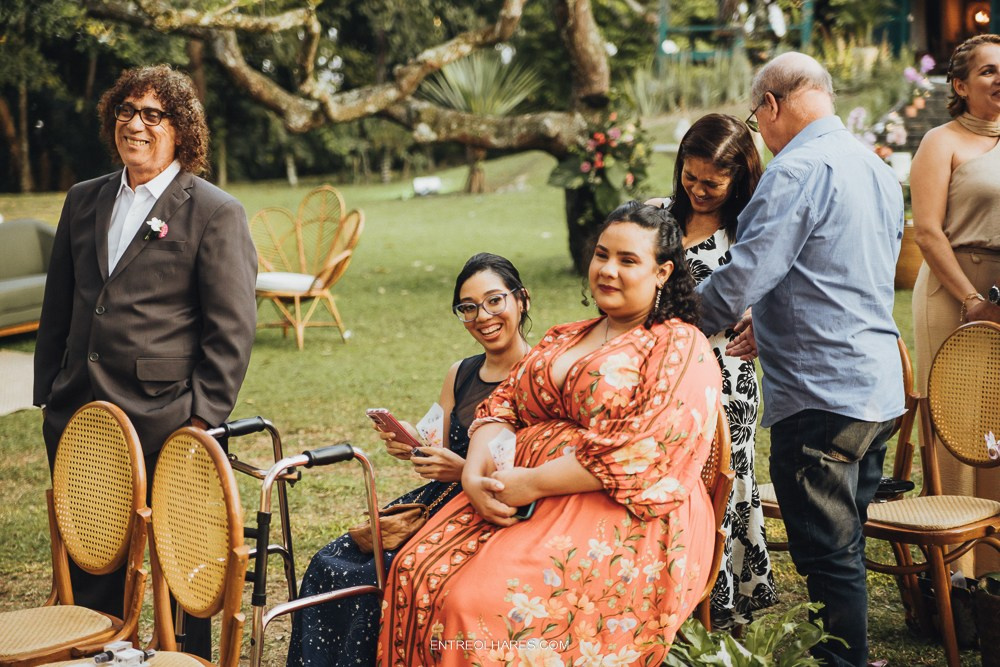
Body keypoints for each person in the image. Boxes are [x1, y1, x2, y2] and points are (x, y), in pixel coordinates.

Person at [377, 203, 723, 666]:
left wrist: (533, 483)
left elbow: (643, 450)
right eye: (602, 255)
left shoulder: (679, 344)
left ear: (662, 272)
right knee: (415, 570)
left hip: (622, 510)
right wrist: (475, 472)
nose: (608, 270)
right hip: (522, 493)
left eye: (628, 260)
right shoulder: (566, 335)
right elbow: (503, 403)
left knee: (476, 605)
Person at [33, 64, 257, 658]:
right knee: (93, 554)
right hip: (80, 412)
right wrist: (49, 394)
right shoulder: (84, 199)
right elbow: (60, 303)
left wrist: (201, 419)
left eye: (152, 115)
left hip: (167, 416)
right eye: (126, 112)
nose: (135, 124)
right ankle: (99, 650)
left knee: (181, 566)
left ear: (180, 129)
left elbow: (231, 328)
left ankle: (185, 660)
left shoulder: (214, 211)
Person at [696, 53, 904, 667]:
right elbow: (846, 272)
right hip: (879, 389)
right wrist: (774, 317)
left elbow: (738, 282)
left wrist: (665, 321)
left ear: (773, 105)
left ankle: (848, 662)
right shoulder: (876, 167)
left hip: (823, 398)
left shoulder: (795, 171)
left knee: (828, 553)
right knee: (847, 542)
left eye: (757, 121)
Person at [286, 253, 531, 667]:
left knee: (383, 576)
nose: (482, 316)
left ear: (521, 300)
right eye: (468, 307)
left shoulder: (540, 372)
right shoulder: (461, 372)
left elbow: (532, 460)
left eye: (494, 301)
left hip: (491, 510)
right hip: (434, 501)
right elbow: (438, 436)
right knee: (330, 560)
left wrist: (463, 470)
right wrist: (410, 441)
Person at [647, 113, 776, 630]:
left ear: (739, 178)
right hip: (662, 375)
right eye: (690, 177)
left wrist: (762, 321)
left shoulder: (750, 231)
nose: (698, 190)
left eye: (713, 183)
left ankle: (725, 605)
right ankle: (675, 596)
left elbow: (780, 293)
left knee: (723, 478)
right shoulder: (658, 219)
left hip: (726, 377)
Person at [910, 34, 1000, 577]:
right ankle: (952, 572)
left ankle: (992, 563)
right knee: (956, 416)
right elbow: (925, 230)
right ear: (961, 85)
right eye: (989, 71)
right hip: (955, 290)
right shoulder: (940, 142)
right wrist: (970, 299)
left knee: (997, 420)